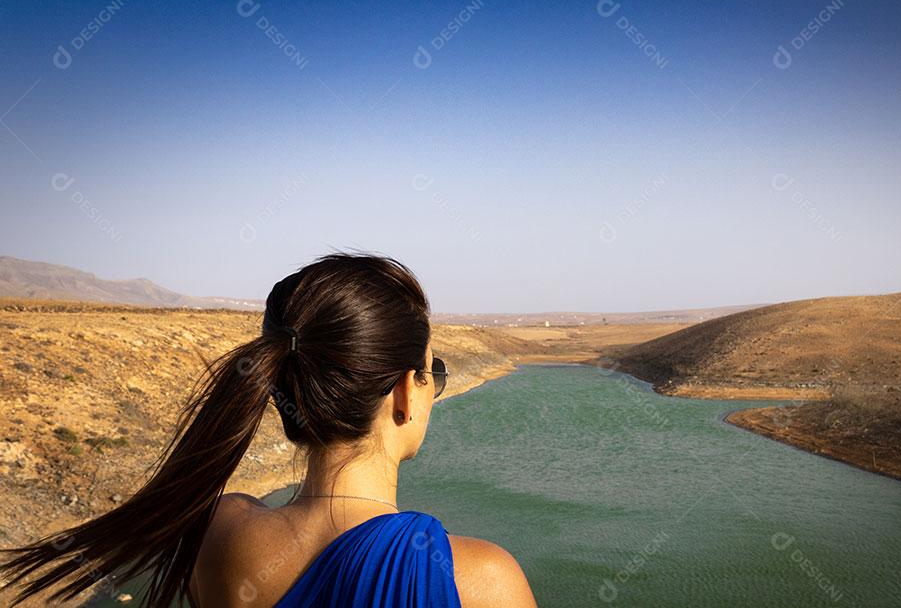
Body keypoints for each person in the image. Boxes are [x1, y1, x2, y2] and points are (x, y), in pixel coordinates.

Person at [0, 252, 537, 607]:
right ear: (403, 392)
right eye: (430, 373)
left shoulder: (217, 531)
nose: (430, 388)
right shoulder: (483, 581)